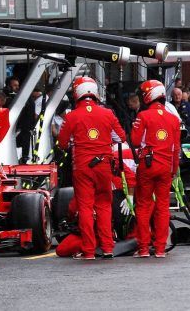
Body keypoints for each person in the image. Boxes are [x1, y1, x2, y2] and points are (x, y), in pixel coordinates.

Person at [58, 77, 126, 260]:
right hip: (104, 165)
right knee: (104, 205)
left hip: (82, 167)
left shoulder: (72, 115)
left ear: (77, 93)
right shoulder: (108, 113)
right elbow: (121, 137)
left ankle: (89, 251)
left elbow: (62, 143)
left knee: (86, 207)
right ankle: (107, 247)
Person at [130, 80, 181, 258]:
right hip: (167, 166)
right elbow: (176, 148)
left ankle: (143, 248)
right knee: (163, 206)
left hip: (148, 165)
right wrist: (174, 169)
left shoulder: (143, 116)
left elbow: (135, 141)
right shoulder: (173, 118)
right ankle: (160, 249)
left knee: (143, 206)